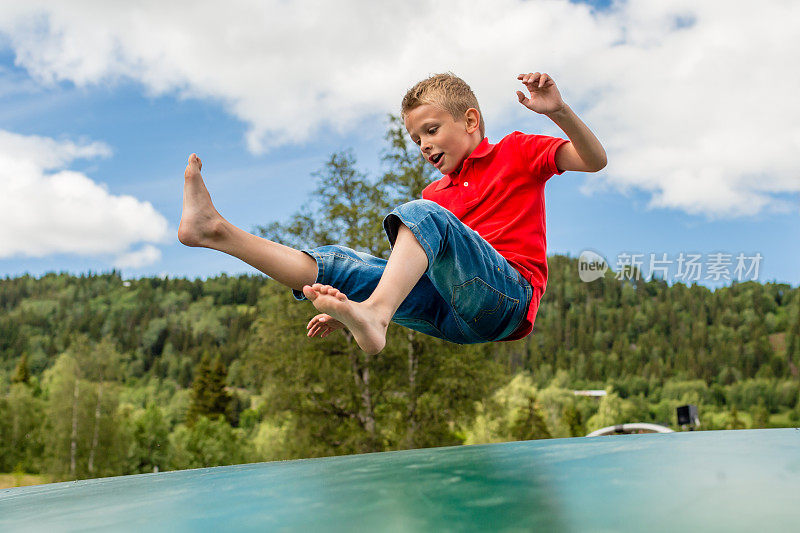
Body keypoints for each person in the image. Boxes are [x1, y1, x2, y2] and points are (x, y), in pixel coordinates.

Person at [179, 71, 606, 356]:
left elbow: (594, 160)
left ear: (471, 120)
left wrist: (558, 112)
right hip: (451, 315)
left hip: (507, 298)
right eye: (416, 138)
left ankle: (375, 315)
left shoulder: (516, 151)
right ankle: (215, 231)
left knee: (424, 216)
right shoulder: (436, 194)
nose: (424, 145)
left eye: (432, 131)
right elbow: (415, 273)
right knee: (337, 266)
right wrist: (352, 301)